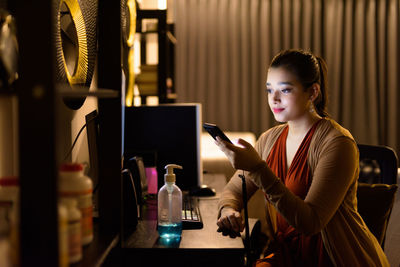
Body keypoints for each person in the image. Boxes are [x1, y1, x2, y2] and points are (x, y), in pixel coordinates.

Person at [215, 49, 389, 266]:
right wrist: (229, 210)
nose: (274, 99)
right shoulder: (269, 139)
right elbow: (232, 191)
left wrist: (259, 169)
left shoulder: (338, 143)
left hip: (333, 259)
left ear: (313, 92)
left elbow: (310, 223)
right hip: (286, 256)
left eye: (285, 90)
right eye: (269, 90)